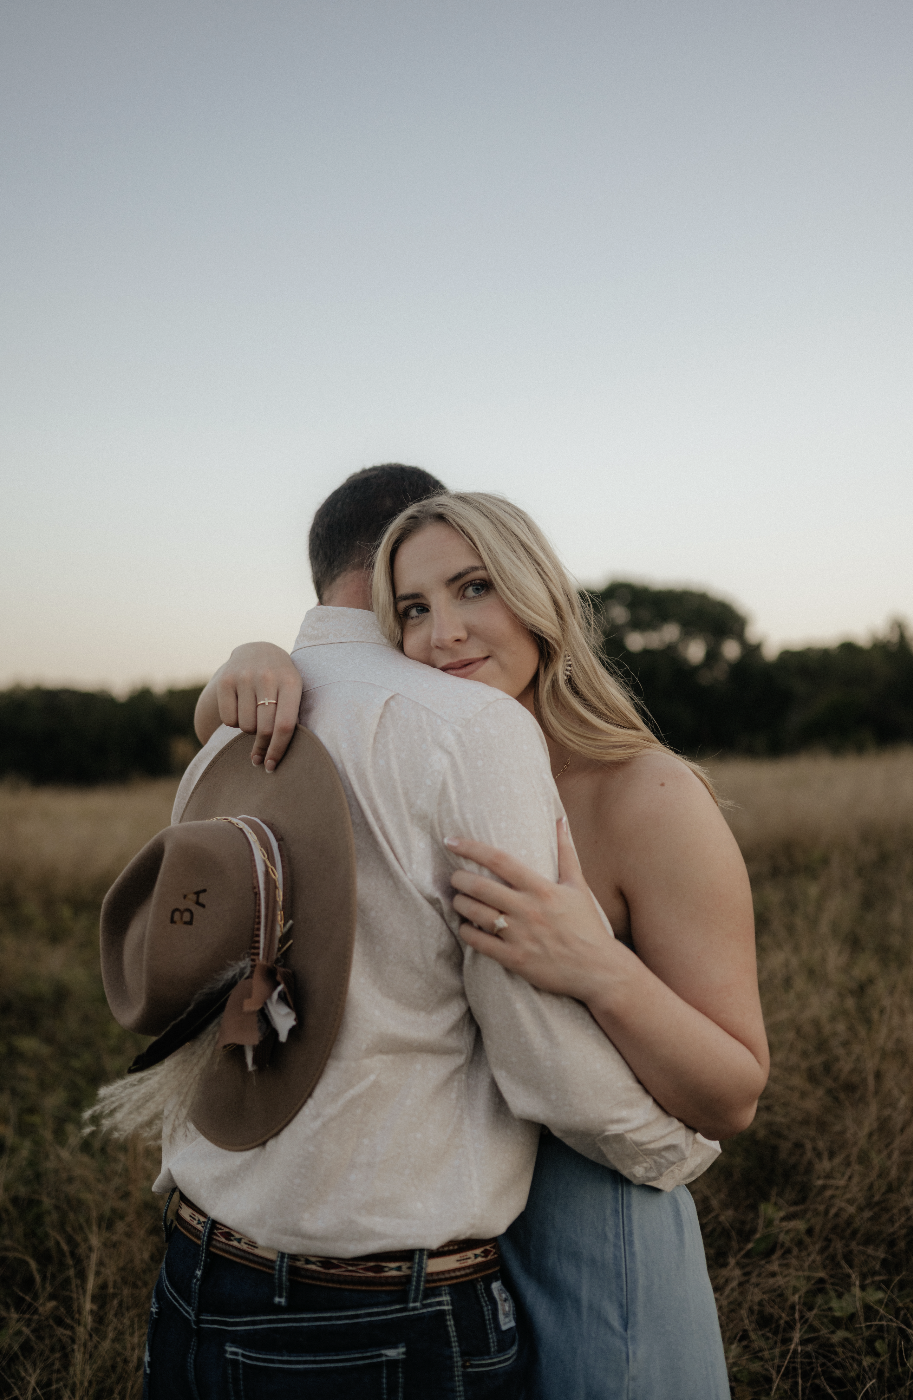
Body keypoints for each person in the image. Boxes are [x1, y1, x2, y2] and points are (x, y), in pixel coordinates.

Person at [147, 465, 718, 1400]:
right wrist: (672, 1154)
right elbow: (533, 1046)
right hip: (373, 1310)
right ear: (389, 580)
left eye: (471, 587)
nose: (441, 629)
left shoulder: (227, 733)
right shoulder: (473, 727)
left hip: (194, 1270)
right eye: (417, 602)